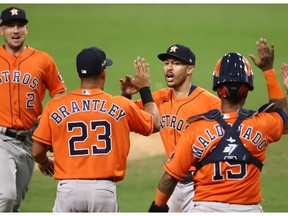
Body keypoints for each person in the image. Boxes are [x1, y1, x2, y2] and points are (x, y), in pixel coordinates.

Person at [148, 39, 288, 212]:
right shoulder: (263, 125)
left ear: (217, 89)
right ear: (247, 90)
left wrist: (157, 207)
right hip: (248, 210)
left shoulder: (195, 130)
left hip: (205, 209)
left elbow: (170, 177)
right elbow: (284, 118)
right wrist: (268, 71)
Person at [31, 46, 160, 212]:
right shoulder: (120, 105)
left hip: (68, 190)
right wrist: (144, 88)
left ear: (79, 74)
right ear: (103, 74)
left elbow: (36, 151)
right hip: (103, 191)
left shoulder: (55, 106)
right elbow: (154, 123)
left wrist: (43, 161)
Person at [120, 44, 221, 212]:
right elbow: (126, 114)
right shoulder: (160, 98)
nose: (169, 68)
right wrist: (127, 94)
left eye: (176, 63)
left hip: (199, 184)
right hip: (171, 184)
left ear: (190, 69)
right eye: (167, 63)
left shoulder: (210, 103)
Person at [0, 6, 66, 212]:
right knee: (6, 196)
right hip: (1, 139)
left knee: (15, 202)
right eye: (10, 26)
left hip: (30, 141)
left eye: (20, 25)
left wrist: (47, 121)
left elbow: (59, 94)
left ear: (26, 29)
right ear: (2, 30)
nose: (16, 30)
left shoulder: (43, 60)